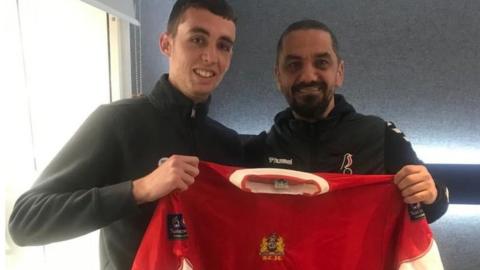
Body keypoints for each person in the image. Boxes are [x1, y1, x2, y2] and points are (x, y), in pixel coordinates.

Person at [9, 0, 241, 269]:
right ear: (167, 44)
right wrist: (139, 190)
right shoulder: (117, 122)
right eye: (197, 39)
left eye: (223, 46)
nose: (211, 57)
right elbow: (25, 221)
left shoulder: (228, 144)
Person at [244, 19, 448, 223]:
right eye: (293, 65)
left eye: (321, 63)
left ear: (339, 73)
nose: (307, 76)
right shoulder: (259, 150)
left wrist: (431, 193)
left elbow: (433, 208)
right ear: (278, 76)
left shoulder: (379, 136)